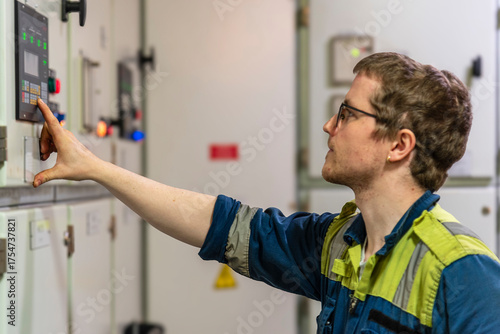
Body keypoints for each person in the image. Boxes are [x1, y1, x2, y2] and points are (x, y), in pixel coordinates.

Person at [34, 52, 500, 333]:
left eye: (347, 113)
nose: (329, 125)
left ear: (399, 145)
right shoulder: (341, 242)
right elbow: (219, 224)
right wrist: (95, 168)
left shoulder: (465, 275)